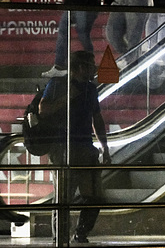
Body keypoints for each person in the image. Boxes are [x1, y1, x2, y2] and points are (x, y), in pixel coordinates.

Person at [39, 50, 111, 244]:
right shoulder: (58, 84)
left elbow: (97, 118)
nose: (93, 70)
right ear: (80, 67)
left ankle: (81, 233)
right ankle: (60, 238)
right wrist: (67, 98)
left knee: (95, 195)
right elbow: (43, 109)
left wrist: (104, 146)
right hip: (63, 148)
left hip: (85, 146)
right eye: (90, 66)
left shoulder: (91, 89)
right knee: (64, 198)